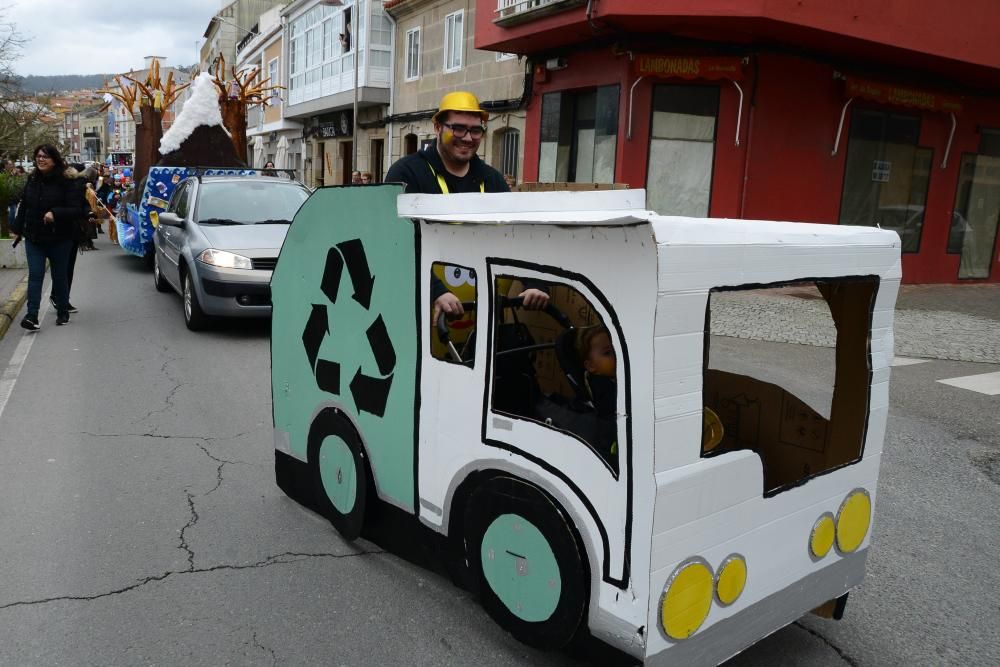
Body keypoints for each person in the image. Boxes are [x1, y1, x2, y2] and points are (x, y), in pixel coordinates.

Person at [385, 90, 549, 321]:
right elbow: (393, 242)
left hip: (482, 318)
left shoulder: (492, 180)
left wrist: (535, 283)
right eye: (458, 128)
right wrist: (435, 291)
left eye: (475, 130)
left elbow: (516, 238)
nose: (468, 137)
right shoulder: (407, 173)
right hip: (423, 314)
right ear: (438, 128)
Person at [10, 144, 87, 329]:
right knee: (35, 275)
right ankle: (32, 316)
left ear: (55, 159)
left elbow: (78, 210)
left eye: (45, 156)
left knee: (59, 276)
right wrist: (18, 230)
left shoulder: (68, 181)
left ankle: (62, 312)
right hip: (34, 238)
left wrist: (55, 212)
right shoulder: (33, 179)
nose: (40, 159)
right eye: (38, 156)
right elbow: (24, 207)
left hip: (60, 238)